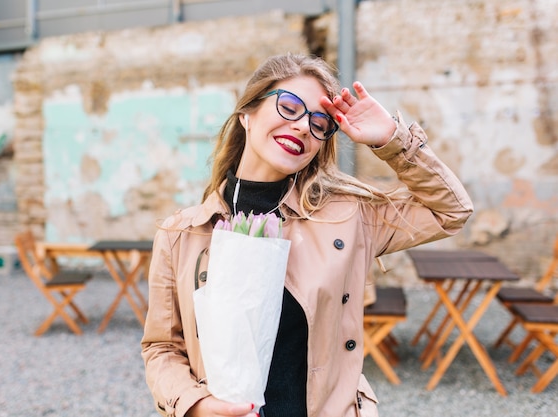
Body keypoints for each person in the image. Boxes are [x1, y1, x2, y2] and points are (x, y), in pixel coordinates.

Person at [141, 53, 473, 417]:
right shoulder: (181, 234)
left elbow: (450, 211)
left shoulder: (346, 217)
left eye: (320, 123)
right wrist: (196, 405)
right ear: (246, 115)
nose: (303, 127)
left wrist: (393, 141)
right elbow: (162, 347)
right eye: (289, 107)